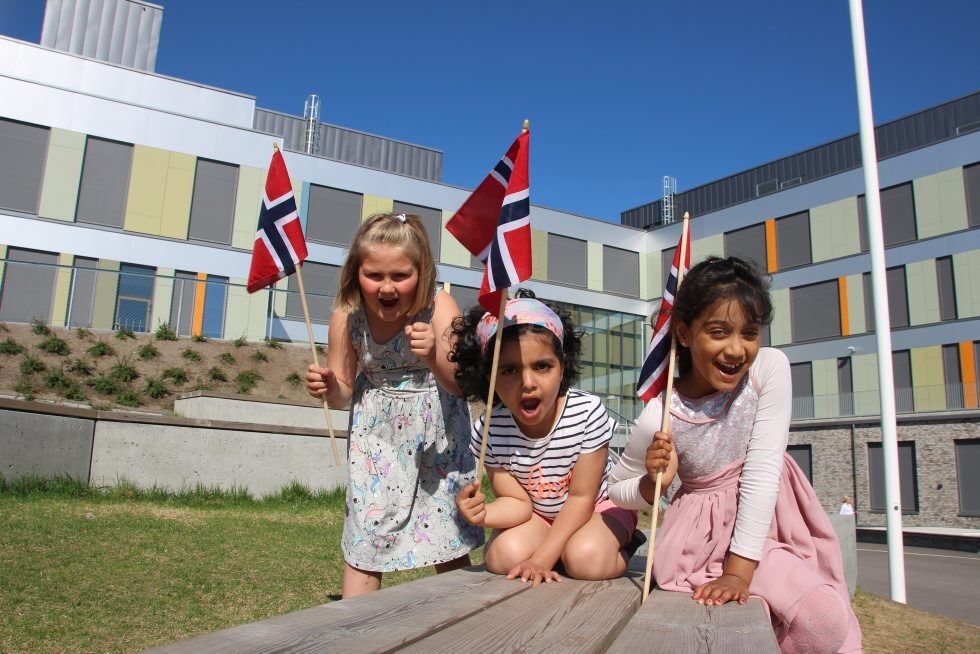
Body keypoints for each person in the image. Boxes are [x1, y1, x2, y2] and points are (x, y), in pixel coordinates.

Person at [608, 257, 862, 653]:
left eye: (749, 332)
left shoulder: (768, 368)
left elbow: (762, 471)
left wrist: (739, 573)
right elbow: (615, 489)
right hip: (700, 543)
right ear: (684, 333)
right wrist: (649, 483)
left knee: (823, 618)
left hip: (772, 527)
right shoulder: (660, 414)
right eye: (718, 332)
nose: (736, 349)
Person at [304, 212, 483, 598]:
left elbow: (459, 384)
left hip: (438, 438)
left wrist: (434, 354)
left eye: (400, 275)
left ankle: (464, 613)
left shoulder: (439, 306)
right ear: (356, 273)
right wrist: (330, 387)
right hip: (377, 440)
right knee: (368, 528)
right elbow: (343, 392)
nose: (387, 287)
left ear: (422, 272)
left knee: (444, 526)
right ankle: (355, 622)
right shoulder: (347, 316)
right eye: (374, 275)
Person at [451, 290, 638, 586]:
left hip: (599, 508)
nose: (527, 383)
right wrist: (482, 513)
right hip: (540, 516)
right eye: (509, 370)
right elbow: (517, 502)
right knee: (501, 556)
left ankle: (617, 545)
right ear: (489, 377)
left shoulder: (586, 412)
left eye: (542, 366)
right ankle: (561, 548)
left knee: (586, 560)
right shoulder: (490, 428)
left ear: (562, 366)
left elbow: (581, 498)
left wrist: (541, 558)